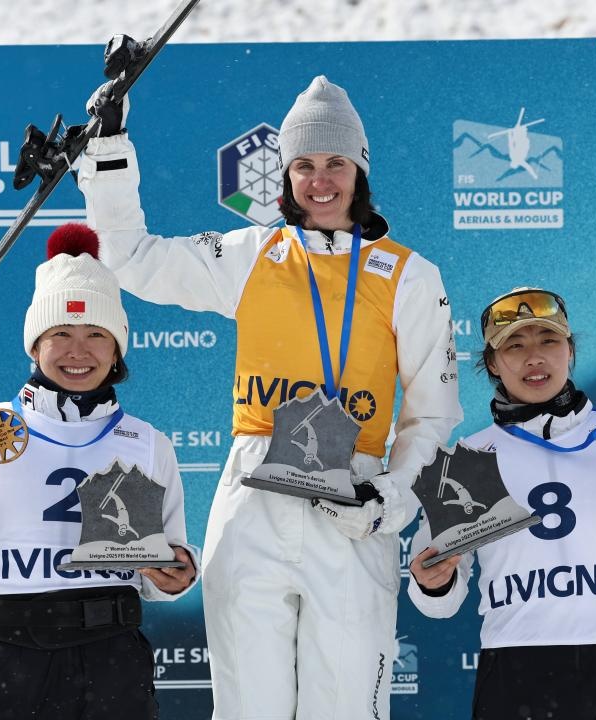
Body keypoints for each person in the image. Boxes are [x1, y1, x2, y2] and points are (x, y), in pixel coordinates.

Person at [79, 37, 462, 720]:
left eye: (335, 163)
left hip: (352, 496)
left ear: (360, 169)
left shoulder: (411, 275)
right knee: (247, 706)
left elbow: (431, 419)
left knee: (346, 705)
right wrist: (107, 155)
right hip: (254, 488)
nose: (320, 180)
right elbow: (132, 258)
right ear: (284, 175)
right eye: (304, 165)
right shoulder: (254, 252)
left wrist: (388, 499)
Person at [0, 223, 197, 720]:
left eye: (96, 335)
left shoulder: (147, 443)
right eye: (60, 333)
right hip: (13, 660)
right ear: (34, 345)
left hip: (113, 659)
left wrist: (175, 575)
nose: (78, 352)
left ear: (117, 349)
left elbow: (160, 574)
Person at [408, 287, 596, 720]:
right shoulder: (468, 458)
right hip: (515, 667)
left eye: (548, 341)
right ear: (491, 362)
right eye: (515, 345)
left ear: (570, 350)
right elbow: (439, 602)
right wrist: (434, 583)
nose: (534, 358)